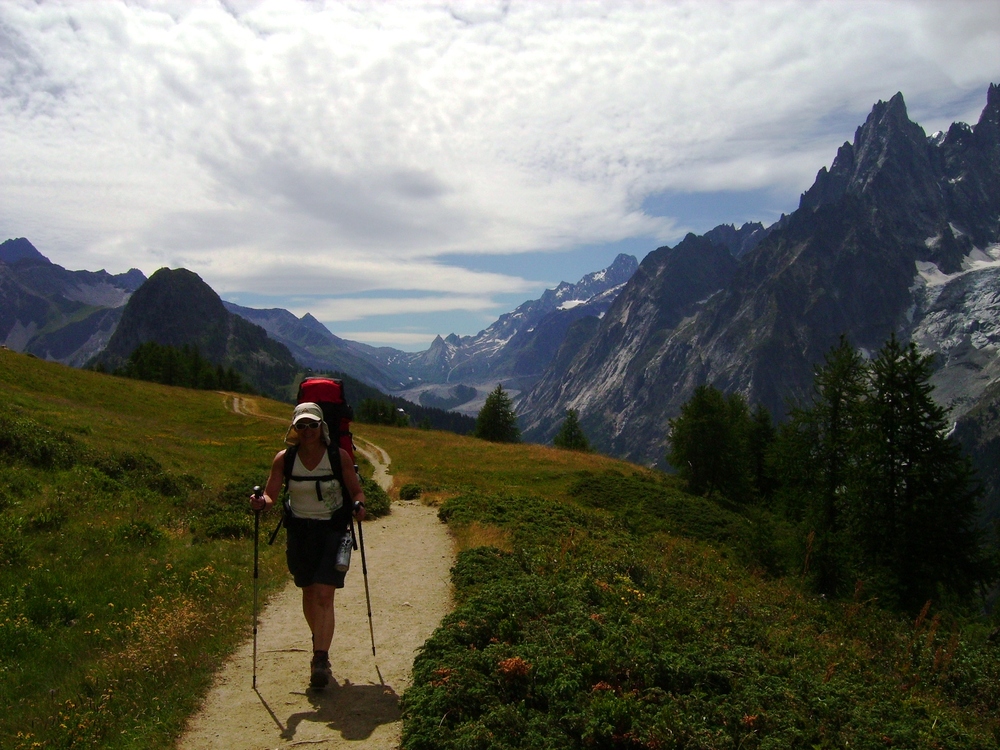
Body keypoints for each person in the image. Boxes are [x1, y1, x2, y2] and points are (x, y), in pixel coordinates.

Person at [250, 401, 366, 689]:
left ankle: (320, 659)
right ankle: (320, 644)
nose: (307, 430)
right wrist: (260, 503)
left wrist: (359, 505)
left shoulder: (337, 457)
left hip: (334, 530)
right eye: (301, 425)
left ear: (321, 427)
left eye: (312, 425)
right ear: (294, 429)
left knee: (325, 594)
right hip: (300, 532)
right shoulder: (284, 459)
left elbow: (356, 490)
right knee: (309, 592)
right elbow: (271, 495)